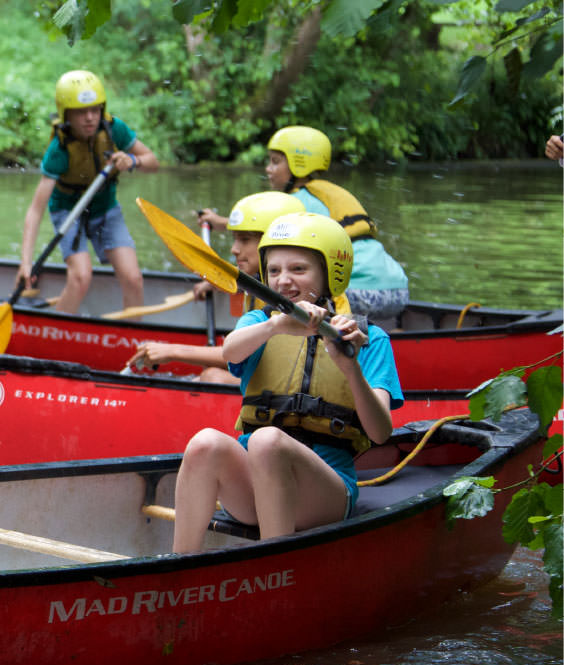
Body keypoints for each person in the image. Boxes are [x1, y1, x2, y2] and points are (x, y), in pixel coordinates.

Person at [170, 212, 403, 554]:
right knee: (205, 443)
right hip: (252, 490)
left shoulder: (368, 339)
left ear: (330, 274)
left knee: (267, 442)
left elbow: (380, 432)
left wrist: (349, 367)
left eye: (298, 269)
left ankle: (274, 565)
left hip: (324, 496)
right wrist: (275, 326)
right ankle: (178, 568)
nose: (282, 281)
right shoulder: (258, 323)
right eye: (275, 270)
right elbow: (230, 351)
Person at [198, 126, 409, 323]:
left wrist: (221, 280)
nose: (268, 169)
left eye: (275, 162)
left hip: (360, 291)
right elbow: (257, 226)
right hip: (397, 290)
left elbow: (263, 234)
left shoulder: (299, 204)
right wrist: (221, 223)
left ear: (299, 164)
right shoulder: (324, 194)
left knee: (277, 283)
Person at [16, 69, 158, 314]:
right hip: (68, 214)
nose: (90, 118)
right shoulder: (58, 150)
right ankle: (56, 335)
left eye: (95, 109)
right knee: (81, 276)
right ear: (66, 114)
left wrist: (133, 162)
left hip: (105, 210)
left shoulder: (114, 129)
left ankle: (134, 344)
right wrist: (25, 263)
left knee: (133, 278)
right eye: (81, 112)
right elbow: (35, 211)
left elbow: (153, 162)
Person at [127, 191, 306, 383]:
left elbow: (237, 354)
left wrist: (173, 350)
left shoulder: (290, 296)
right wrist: (218, 283)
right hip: (268, 376)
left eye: (244, 240)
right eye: (235, 239)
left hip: (281, 385)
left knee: (212, 377)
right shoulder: (264, 285)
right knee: (206, 372)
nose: (234, 249)